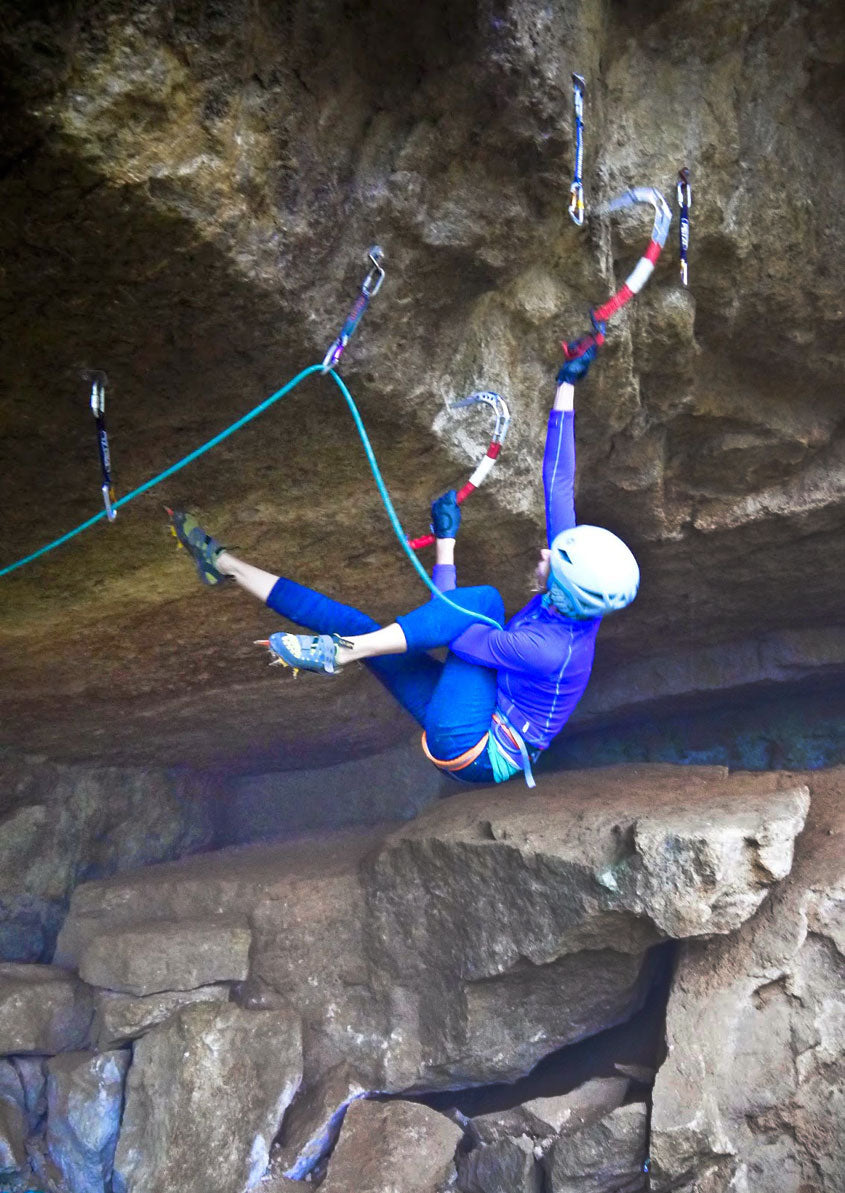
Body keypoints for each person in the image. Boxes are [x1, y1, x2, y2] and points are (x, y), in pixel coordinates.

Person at [168, 348, 639, 787]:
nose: (545, 552)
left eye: (552, 562)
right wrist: (567, 383)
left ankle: (345, 651)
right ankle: (223, 564)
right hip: (476, 705)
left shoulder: (550, 650)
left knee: (486, 602)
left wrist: (447, 547)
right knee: (358, 623)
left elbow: (458, 629)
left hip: (474, 748)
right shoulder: (577, 590)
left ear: (560, 591)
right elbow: (557, 482)